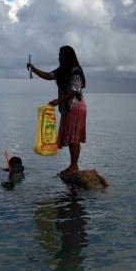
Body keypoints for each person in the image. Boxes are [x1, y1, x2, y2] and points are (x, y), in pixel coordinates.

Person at [27, 46, 87, 177]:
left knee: (74, 137)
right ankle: (73, 165)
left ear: (67, 56)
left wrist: (58, 101)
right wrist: (33, 68)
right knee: (72, 137)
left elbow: (75, 90)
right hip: (67, 108)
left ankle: (74, 166)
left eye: (61, 55)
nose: (59, 57)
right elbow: (48, 76)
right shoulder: (62, 70)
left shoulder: (75, 70)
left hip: (75, 106)